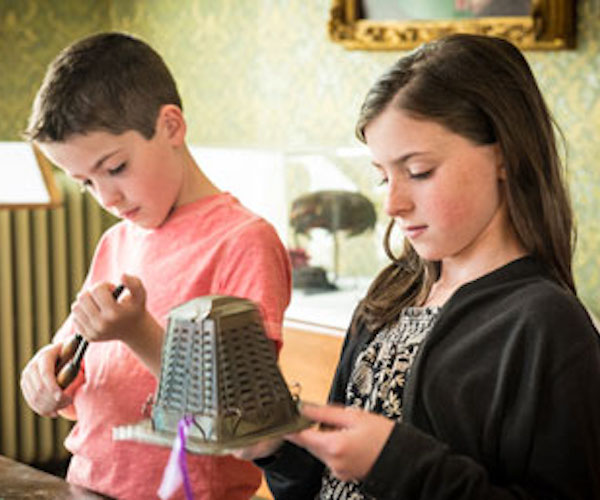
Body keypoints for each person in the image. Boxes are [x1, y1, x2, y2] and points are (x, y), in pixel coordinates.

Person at [237, 34, 600, 499]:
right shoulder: (392, 293)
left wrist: (397, 464)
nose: (392, 203)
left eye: (420, 171)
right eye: (383, 176)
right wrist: (278, 447)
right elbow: (318, 484)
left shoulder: (547, 325)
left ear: (504, 155)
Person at [19, 32, 291, 500]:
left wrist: (138, 332)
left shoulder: (243, 242)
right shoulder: (116, 241)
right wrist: (47, 375)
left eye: (115, 167)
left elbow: (244, 415)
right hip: (87, 483)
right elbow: (82, 362)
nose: (107, 198)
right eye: (84, 183)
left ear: (170, 127)